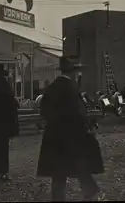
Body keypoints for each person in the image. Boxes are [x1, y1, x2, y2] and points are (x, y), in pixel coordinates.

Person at [37, 57, 104, 201]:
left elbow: (44, 111)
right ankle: (90, 192)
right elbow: (78, 112)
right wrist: (86, 127)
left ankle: (58, 198)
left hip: (54, 135)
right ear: (73, 73)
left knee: (58, 170)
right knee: (81, 165)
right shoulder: (72, 88)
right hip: (73, 134)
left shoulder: (51, 88)